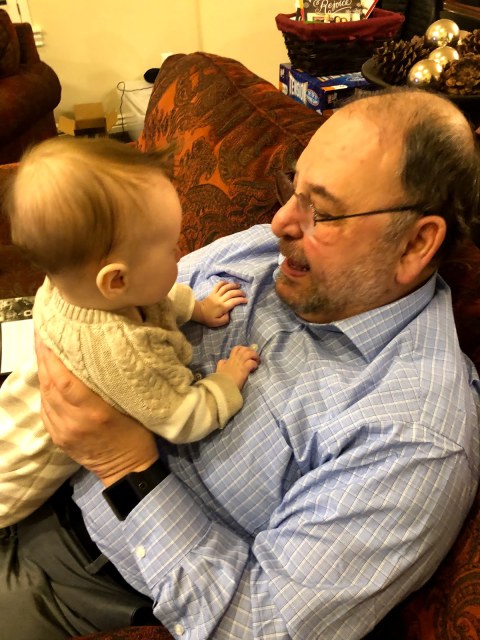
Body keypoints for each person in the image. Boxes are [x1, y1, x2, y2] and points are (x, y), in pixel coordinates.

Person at [1, 87, 480, 640]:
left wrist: (123, 465)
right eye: (293, 189)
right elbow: (128, 300)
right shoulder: (262, 253)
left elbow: (260, 624)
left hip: (75, 580)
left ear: (416, 245)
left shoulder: (413, 435)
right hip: (35, 454)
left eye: (321, 211)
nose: (278, 222)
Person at [0, 137, 260, 527]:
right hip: (16, 478)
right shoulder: (127, 354)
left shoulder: (74, 285)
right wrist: (226, 381)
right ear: (116, 280)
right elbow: (182, 418)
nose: (180, 255)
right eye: (171, 248)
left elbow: (151, 297)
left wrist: (198, 308)